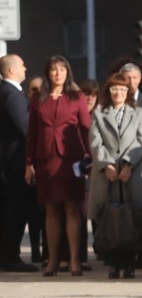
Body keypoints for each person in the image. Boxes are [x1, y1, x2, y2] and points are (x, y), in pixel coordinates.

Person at [26, 56, 90, 277]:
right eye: (53, 69)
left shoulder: (76, 97)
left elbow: (85, 129)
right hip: (46, 160)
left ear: (67, 73)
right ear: (48, 73)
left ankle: (74, 260)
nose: (57, 73)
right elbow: (32, 133)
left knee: (72, 208)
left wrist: (88, 157)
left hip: (71, 160)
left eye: (62, 69)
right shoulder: (38, 99)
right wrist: (29, 164)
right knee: (51, 210)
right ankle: (52, 260)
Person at [89, 73, 142, 278]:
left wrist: (128, 165)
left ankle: (130, 262)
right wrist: (107, 164)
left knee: (132, 218)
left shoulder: (139, 113)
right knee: (109, 217)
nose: (118, 93)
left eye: (123, 89)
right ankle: (113, 261)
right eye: (114, 89)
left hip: (131, 172)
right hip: (107, 173)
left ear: (128, 92)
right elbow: (95, 141)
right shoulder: (99, 114)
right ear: (108, 91)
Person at [0, 55, 38, 272]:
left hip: (6, 163)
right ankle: (11, 257)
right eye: (22, 65)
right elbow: (27, 129)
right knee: (16, 211)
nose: (26, 67)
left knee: (7, 210)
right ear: (12, 71)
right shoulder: (12, 96)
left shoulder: (5, 92)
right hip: (15, 163)